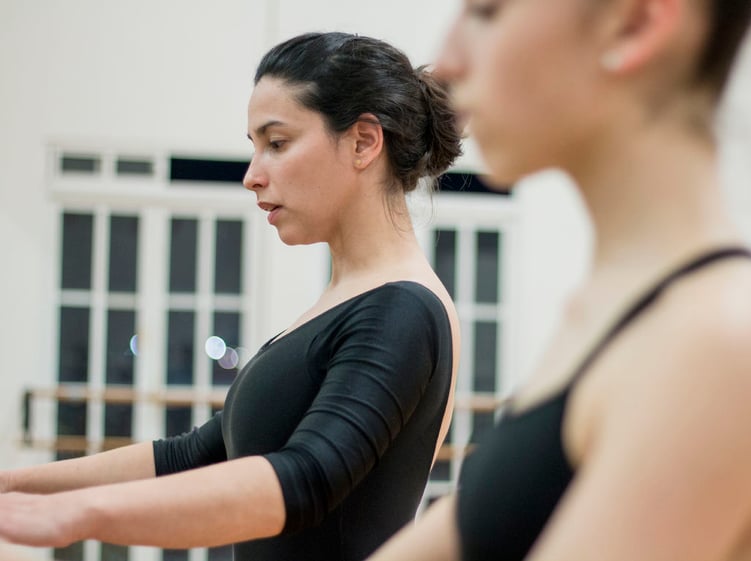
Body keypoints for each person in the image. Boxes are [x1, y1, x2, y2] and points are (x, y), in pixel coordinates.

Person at [368, 1, 751, 560]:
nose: (450, 60)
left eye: (487, 12)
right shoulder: (614, 308)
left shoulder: (720, 340)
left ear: (636, 23)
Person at [0, 31, 462, 561]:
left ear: (363, 142)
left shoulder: (401, 308)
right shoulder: (344, 302)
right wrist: (14, 486)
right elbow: (196, 455)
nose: (252, 176)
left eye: (278, 143)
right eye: (255, 147)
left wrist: (79, 515)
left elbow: (306, 480)